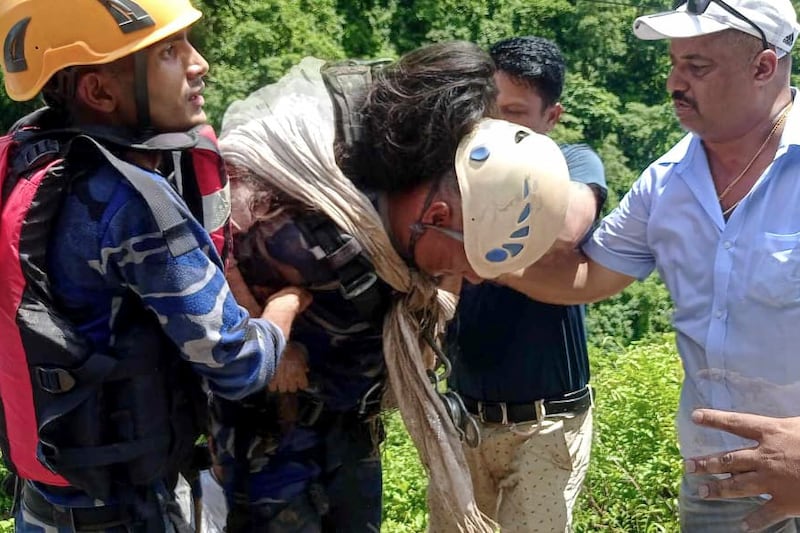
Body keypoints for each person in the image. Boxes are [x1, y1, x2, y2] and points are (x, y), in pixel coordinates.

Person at [209, 42, 573, 532]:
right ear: (438, 217)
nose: (467, 278)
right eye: (467, 261)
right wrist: (265, 330)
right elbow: (210, 253)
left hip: (351, 427)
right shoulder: (304, 233)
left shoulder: (412, 213)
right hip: (270, 441)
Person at [0, 0, 309, 530]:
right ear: (99, 91)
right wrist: (284, 309)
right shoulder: (132, 204)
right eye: (170, 50)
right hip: (125, 512)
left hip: (43, 498)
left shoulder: (26, 161)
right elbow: (235, 363)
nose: (199, 63)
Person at [500, 0, 800, 531]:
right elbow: (590, 275)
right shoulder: (667, 182)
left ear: (763, 66)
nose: (673, 83)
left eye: (697, 67)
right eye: (673, 63)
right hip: (718, 484)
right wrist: (481, 258)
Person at [428, 36, 607, 533]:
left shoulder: (573, 161)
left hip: (546, 424)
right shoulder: (456, 169)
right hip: (464, 417)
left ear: (552, 117)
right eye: (488, 109)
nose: (496, 125)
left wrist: (465, 245)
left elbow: (568, 227)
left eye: (514, 111)